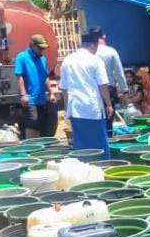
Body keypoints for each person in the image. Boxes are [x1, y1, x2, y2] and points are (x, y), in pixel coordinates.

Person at [60, 27, 114, 159]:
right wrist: (109, 104)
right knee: (100, 146)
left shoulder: (67, 60)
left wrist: (67, 109)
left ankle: (84, 170)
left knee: (81, 145)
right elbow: (103, 85)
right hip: (92, 110)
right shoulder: (95, 60)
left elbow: (64, 88)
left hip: (76, 110)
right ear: (93, 45)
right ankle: (102, 170)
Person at [14, 34, 57, 139]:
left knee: (40, 124)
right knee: (33, 123)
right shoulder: (22, 57)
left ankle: (37, 147)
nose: (42, 50)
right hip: (30, 99)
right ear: (32, 45)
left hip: (41, 98)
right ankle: (31, 148)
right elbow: (19, 77)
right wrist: (23, 95)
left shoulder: (43, 59)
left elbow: (45, 77)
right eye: (40, 48)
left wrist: (51, 93)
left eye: (43, 48)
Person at [96, 30, 128, 135]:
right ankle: (108, 138)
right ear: (104, 37)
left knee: (96, 117)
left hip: (93, 89)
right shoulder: (111, 51)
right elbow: (119, 73)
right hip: (109, 88)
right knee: (109, 116)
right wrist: (124, 91)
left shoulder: (88, 53)